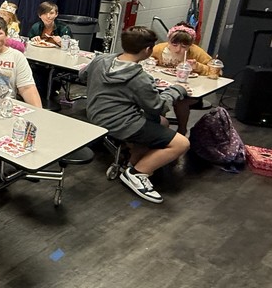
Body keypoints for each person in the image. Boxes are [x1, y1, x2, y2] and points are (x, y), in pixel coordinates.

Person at [81, 27, 190, 204]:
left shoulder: (101, 60)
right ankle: (137, 174)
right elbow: (158, 107)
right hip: (122, 123)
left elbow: (82, 75)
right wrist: (177, 90)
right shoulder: (139, 78)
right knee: (182, 144)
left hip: (95, 114)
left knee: (161, 123)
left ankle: (131, 163)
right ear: (147, 50)